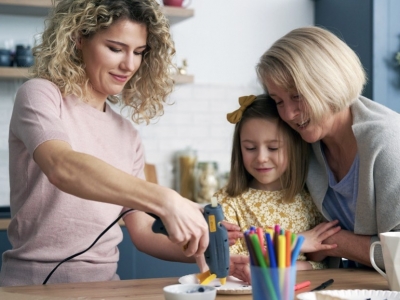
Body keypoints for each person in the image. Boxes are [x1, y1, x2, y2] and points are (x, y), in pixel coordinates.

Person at [0, 0, 249, 286]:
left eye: (139, 52)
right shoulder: (40, 95)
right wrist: (165, 199)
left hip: (106, 287)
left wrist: (203, 245)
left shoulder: (126, 134)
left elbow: (143, 232)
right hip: (32, 287)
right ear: (79, 37)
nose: (129, 64)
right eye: (115, 48)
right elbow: (61, 166)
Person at [255, 26, 400, 269]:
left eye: (298, 96)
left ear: (328, 83)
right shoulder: (305, 139)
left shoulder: (388, 141)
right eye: (278, 101)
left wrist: (335, 240)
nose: (288, 114)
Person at [215, 94, 341, 270]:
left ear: (295, 148)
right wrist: (295, 243)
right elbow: (234, 266)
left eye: (273, 148)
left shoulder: (313, 198)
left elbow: (322, 260)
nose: (261, 158)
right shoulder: (228, 202)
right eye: (250, 148)